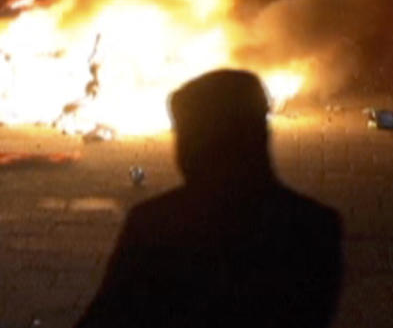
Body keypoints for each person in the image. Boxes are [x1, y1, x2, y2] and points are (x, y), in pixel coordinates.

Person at [75, 69, 343, 328]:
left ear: (200, 143)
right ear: (262, 135)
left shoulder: (156, 226)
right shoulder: (317, 226)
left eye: (184, 135)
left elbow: (108, 317)